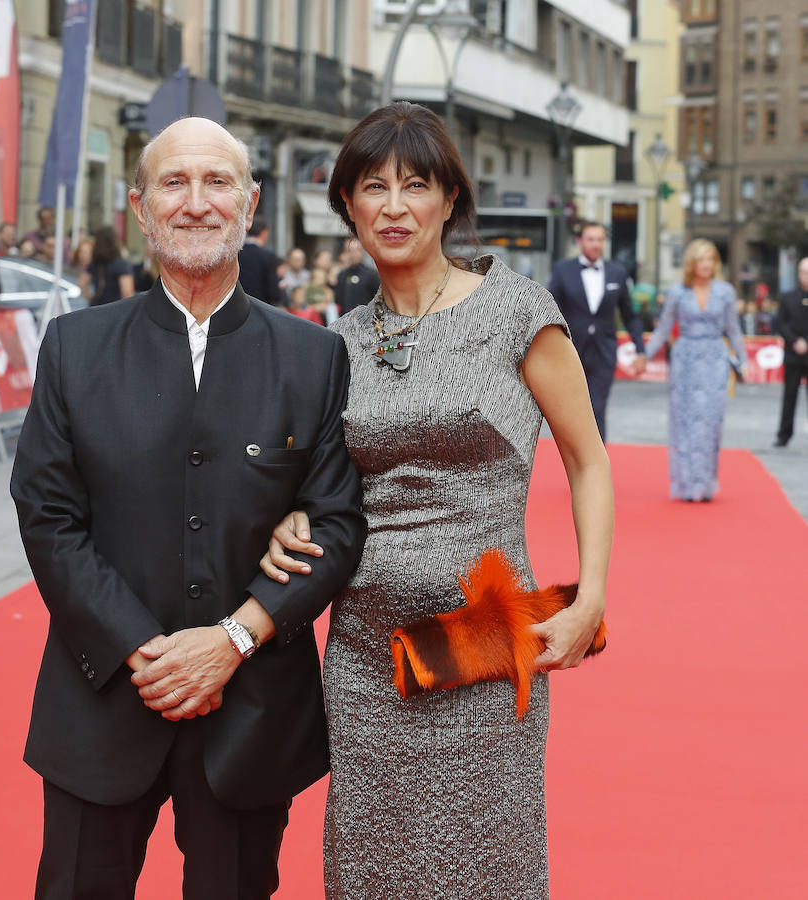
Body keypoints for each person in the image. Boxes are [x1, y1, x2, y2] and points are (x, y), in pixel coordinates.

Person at [259, 102, 613, 897]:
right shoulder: (337, 342)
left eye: (414, 185)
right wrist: (290, 513)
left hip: (483, 649)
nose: (392, 206)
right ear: (346, 204)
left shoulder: (516, 310)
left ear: (449, 199)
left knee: (486, 866)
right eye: (371, 188)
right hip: (361, 660)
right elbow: (320, 481)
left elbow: (587, 462)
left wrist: (590, 597)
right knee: (373, 871)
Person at [10, 116, 366, 899]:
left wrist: (232, 640)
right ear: (140, 207)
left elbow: (338, 524)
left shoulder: (313, 356)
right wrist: (146, 649)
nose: (196, 202)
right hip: (99, 701)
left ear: (250, 204)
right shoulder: (75, 347)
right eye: (174, 182)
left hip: (251, 718)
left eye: (217, 183)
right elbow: (47, 517)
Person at [643, 239, 747, 501]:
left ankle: (706, 484)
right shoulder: (678, 292)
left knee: (711, 422)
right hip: (685, 360)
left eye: (710, 259)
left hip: (715, 359)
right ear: (692, 263)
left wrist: (743, 360)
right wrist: (643, 355)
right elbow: (664, 329)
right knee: (685, 421)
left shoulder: (725, 292)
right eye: (701, 260)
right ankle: (687, 485)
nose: (706, 265)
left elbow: (734, 329)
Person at [548, 221, 646, 440]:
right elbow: (549, 310)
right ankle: (576, 463)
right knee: (572, 412)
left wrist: (641, 350)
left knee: (597, 408)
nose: (596, 244)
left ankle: (597, 468)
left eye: (600, 240)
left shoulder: (617, 273)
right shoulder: (563, 270)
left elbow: (630, 315)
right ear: (580, 241)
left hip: (604, 352)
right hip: (571, 352)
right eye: (591, 239)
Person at [773, 256, 808, 447]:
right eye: (804, 272)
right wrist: (795, 342)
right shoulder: (788, 297)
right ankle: (784, 434)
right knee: (789, 395)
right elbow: (781, 323)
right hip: (793, 354)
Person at [80, 225, 135, 306]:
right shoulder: (122, 264)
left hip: (96, 309)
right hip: (115, 311)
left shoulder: (94, 263)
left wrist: (91, 298)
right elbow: (127, 293)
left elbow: (82, 283)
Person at [238, 217, 284, 306]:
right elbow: (273, 292)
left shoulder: (236, 254)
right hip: (261, 307)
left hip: (238, 306)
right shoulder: (268, 256)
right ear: (264, 233)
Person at [333, 237, 380, 315]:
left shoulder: (371, 274)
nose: (353, 254)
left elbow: (377, 299)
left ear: (361, 252)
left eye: (356, 251)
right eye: (350, 251)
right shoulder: (341, 275)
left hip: (365, 321)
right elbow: (338, 299)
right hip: (345, 319)